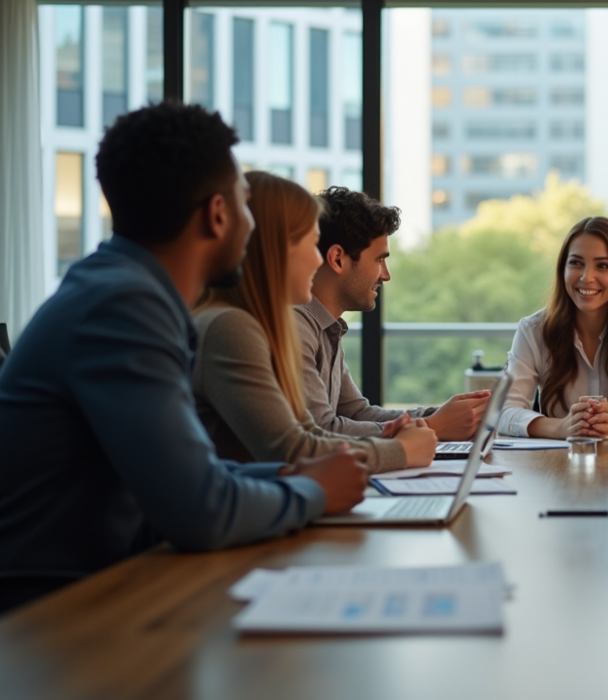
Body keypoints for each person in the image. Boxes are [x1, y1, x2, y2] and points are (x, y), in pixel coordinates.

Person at [0, 104, 367, 613]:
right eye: (245, 204)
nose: (252, 224)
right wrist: (312, 491)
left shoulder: (123, 290)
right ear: (218, 214)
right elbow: (201, 510)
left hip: (105, 588)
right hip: (52, 617)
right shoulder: (124, 308)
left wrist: (288, 479)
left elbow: (196, 475)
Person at [193, 172, 437, 472]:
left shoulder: (255, 323)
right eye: (310, 244)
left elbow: (311, 432)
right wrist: (400, 449)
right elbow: (295, 449)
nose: (316, 260)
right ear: (275, 250)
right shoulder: (229, 327)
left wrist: (410, 432)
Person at [296, 186, 490, 443]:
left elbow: (356, 413)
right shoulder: (296, 327)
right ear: (338, 259)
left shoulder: (326, 327)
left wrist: (443, 416)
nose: (386, 275)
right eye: (379, 260)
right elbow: (322, 429)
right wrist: (431, 426)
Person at [500, 216, 608, 438]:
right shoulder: (532, 330)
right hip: (556, 464)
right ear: (562, 268)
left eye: (602, 265)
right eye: (576, 263)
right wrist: (561, 427)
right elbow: (503, 410)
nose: (587, 277)